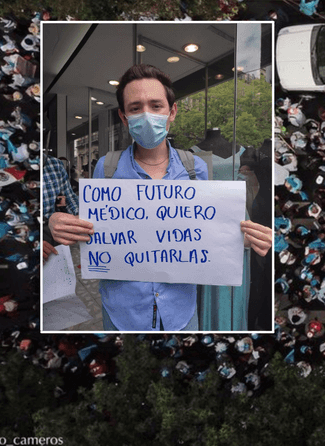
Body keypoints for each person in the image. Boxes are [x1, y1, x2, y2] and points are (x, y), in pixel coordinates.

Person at [47, 64, 272, 331]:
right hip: (122, 310)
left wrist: (242, 239)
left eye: (156, 106)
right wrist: (55, 224)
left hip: (181, 309)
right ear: (123, 116)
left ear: (172, 111)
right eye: (135, 108)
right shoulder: (106, 168)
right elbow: (90, 227)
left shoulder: (195, 168)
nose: (146, 115)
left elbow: (205, 231)